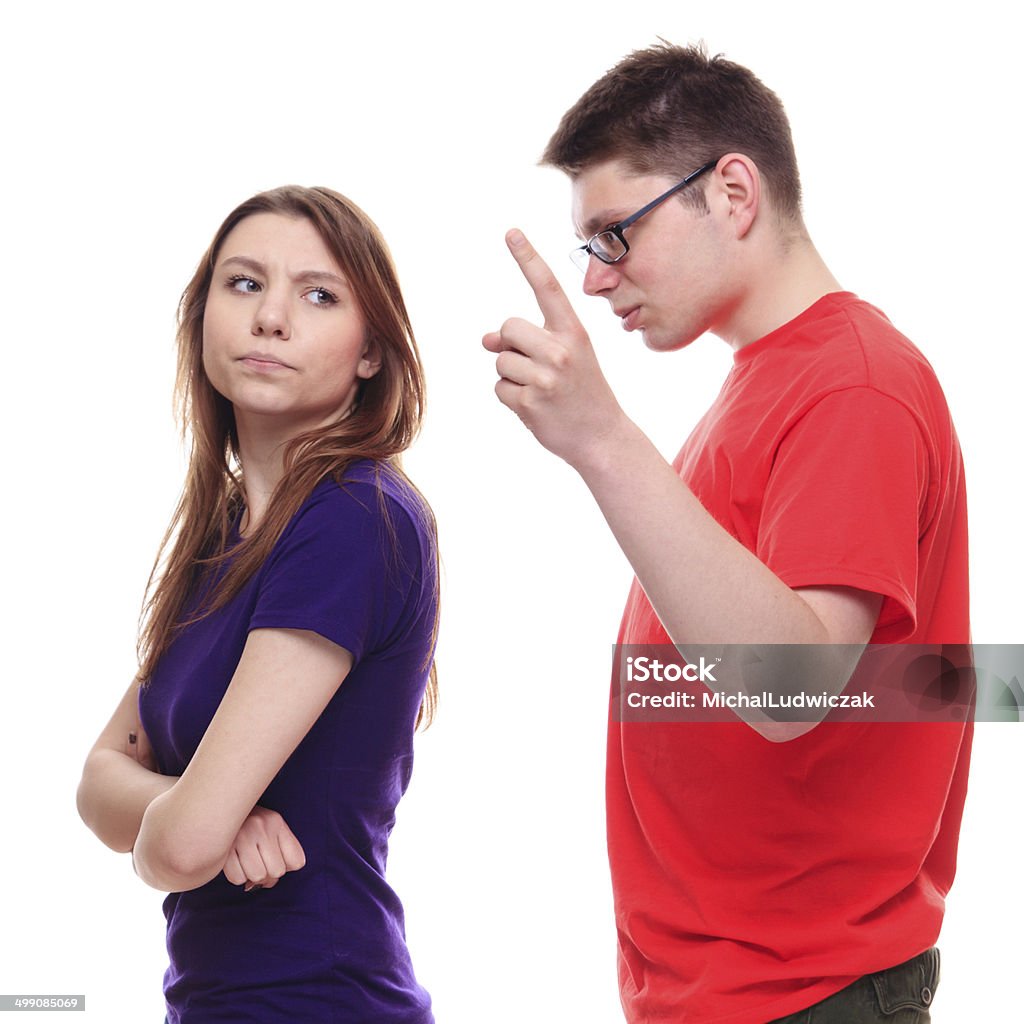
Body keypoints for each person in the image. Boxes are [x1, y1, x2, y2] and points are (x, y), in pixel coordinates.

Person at [483, 43, 969, 1024]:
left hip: (802, 995)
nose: (597, 278)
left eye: (614, 233)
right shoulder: (769, 380)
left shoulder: (854, 386)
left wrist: (603, 441)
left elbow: (790, 685)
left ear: (732, 192)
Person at [76, 186, 439, 1023]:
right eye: (243, 284)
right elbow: (98, 784)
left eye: (318, 295)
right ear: (201, 315)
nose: (271, 317)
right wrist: (197, 815)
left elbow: (174, 847)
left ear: (371, 352)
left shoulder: (354, 516)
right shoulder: (226, 538)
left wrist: (184, 829)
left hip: (322, 1002)